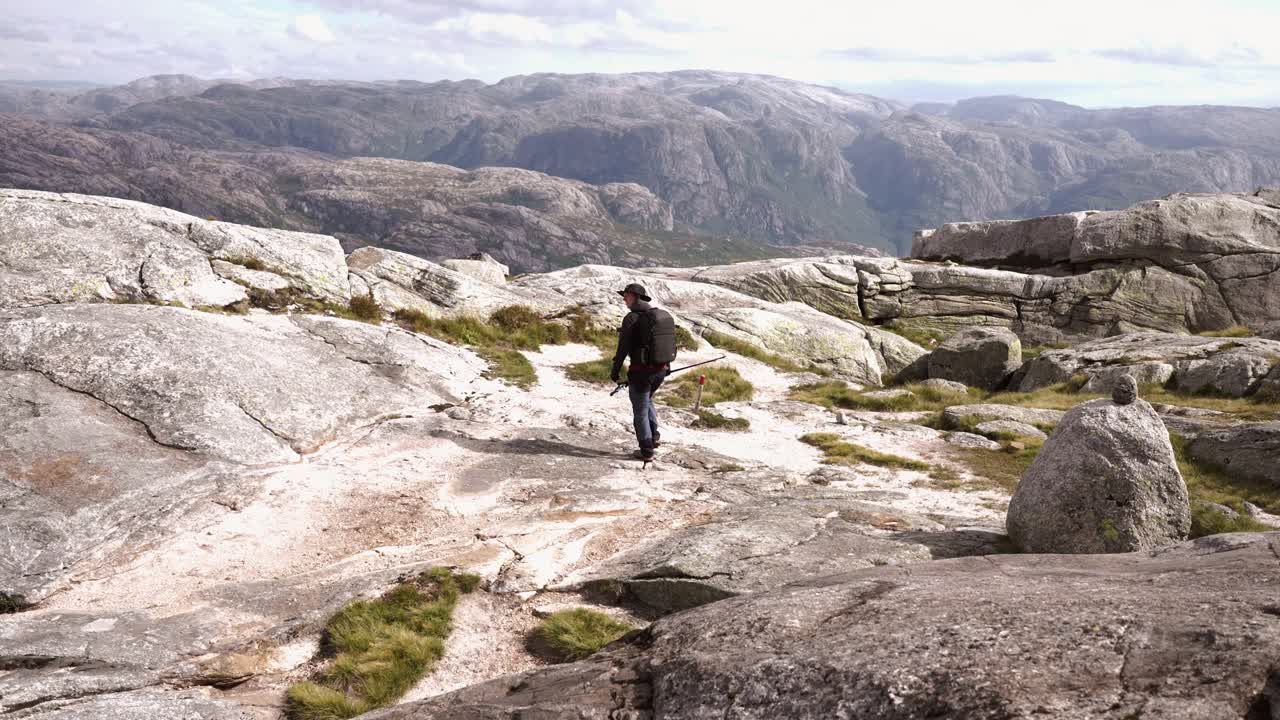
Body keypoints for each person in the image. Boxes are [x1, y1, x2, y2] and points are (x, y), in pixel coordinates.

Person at [610, 283, 677, 461]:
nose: (624, 298)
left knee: (639, 410)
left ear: (635, 297)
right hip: (661, 369)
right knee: (648, 400)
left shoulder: (631, 318)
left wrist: (615, 370)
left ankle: (646, 451)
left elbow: (622, 348)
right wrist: (667, 367)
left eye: (626, 296)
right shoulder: (656, 316)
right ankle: (654, 437)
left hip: (641, 372)